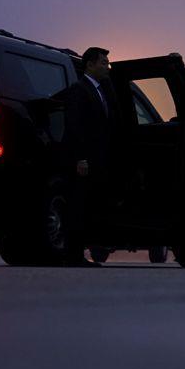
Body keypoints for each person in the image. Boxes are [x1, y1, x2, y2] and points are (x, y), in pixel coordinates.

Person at [63, 46, 121, 267]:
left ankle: (81, 253)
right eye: (103, 63)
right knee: (77, 207)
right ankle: (73, 255)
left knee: (89, 208)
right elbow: (75, 126)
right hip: (83, 161)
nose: (107, 67)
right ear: (89, 64)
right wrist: (80, 158)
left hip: (99, 162)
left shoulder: (101, 89)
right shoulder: (80, 90)